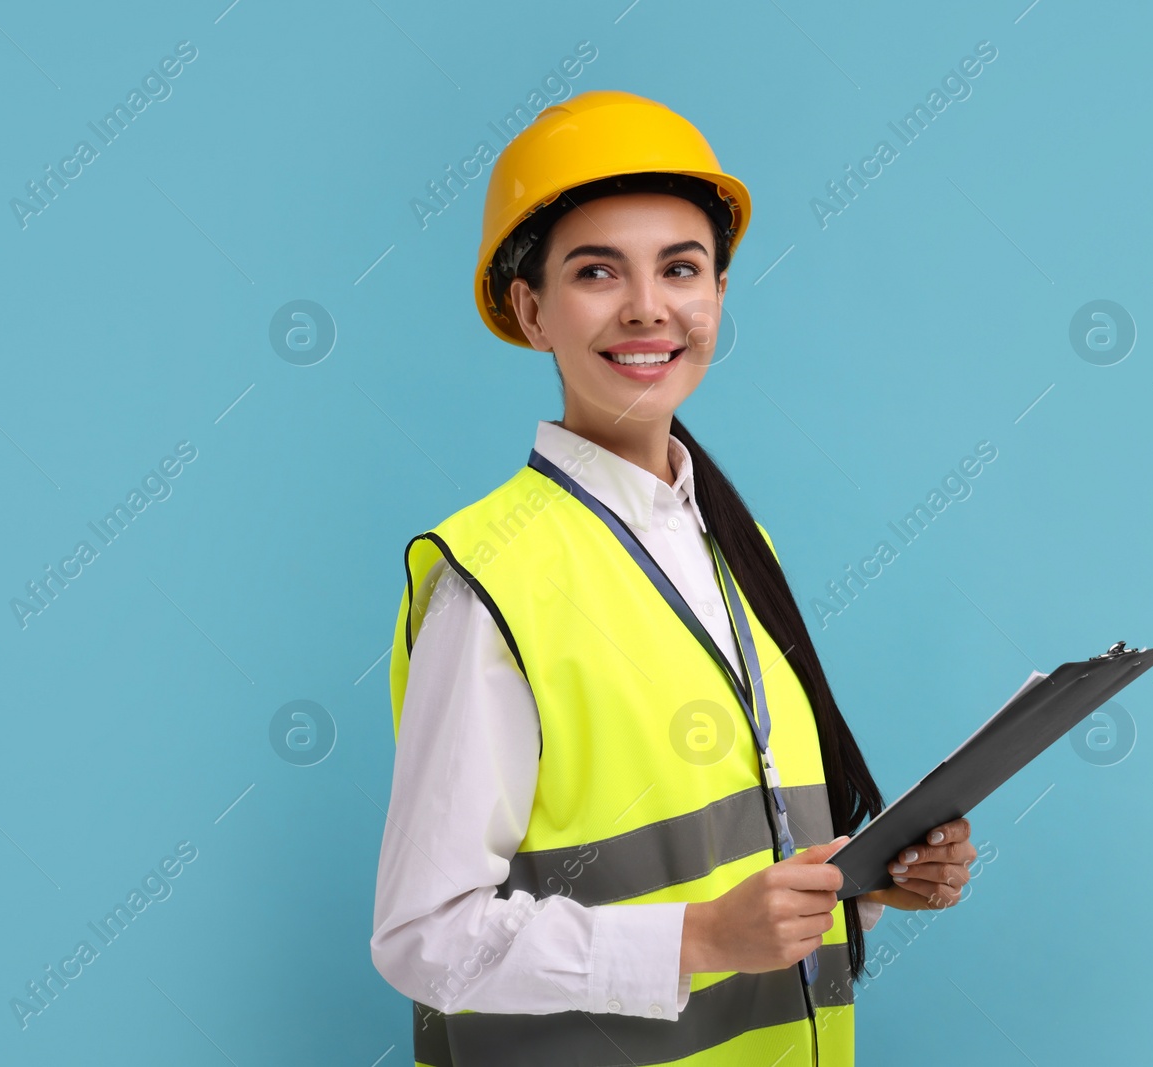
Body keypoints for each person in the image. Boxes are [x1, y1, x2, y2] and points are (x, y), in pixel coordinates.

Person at [371, 90, 977, 1067]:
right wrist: (699, 938)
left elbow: (700, 855)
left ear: (720, 295)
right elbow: (424, 939)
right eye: (596, 270)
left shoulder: (739, 544)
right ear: (531, 309)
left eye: (680, 268)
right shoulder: (487, 577)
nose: (647, 305)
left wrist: (864, 886)